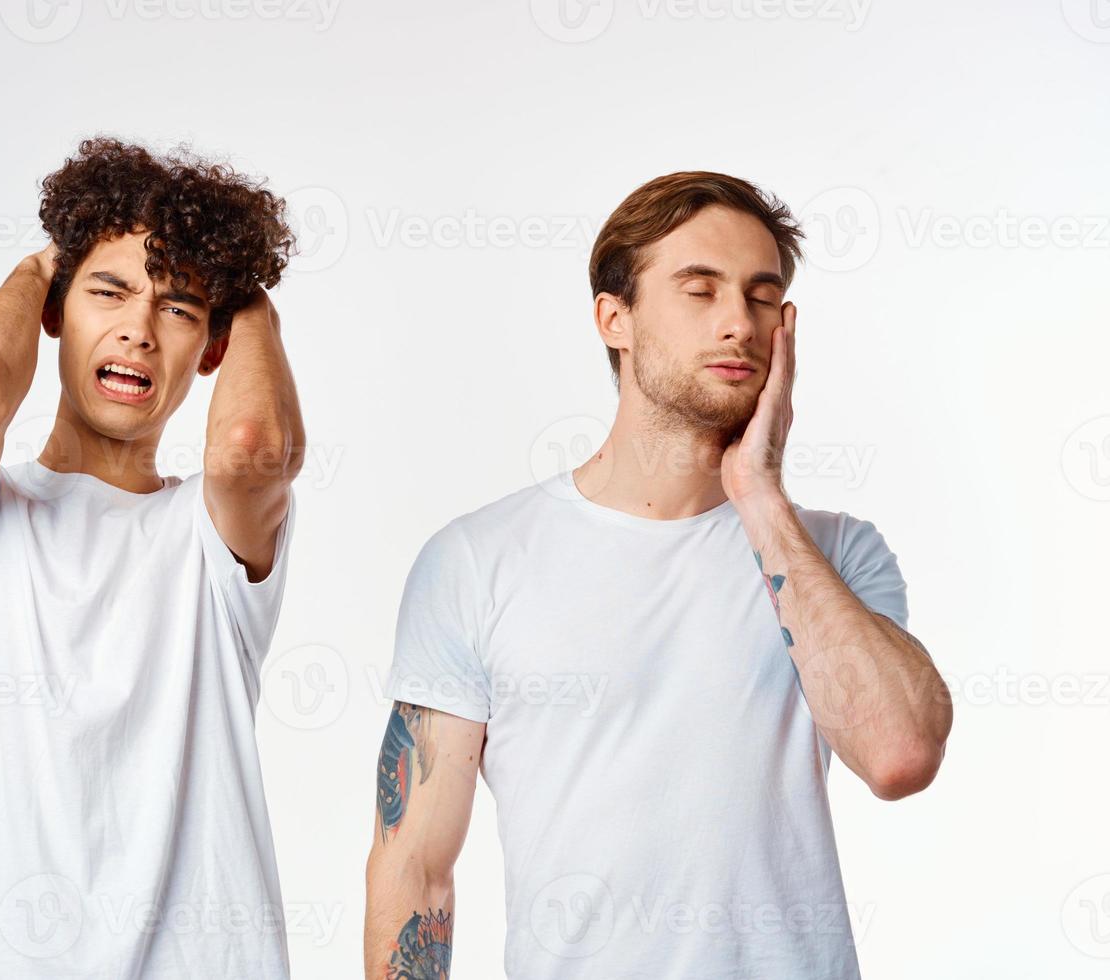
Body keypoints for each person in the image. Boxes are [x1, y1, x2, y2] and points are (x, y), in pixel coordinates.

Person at [363, 172, 953, 979]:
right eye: (699, 292)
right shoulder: (478, 559)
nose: (737, 324)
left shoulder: (836, 555)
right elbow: (414, 871)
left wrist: (760, 497)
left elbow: (900, 757)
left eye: (759, 296)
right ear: (617, 320)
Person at [0, 137, 303, 978]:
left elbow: (252, 445)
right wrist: (40, 267)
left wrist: (244, 296)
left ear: (211, 349)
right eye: (108, 291)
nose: (138, 330)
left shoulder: (206, 533)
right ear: (55, 314)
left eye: (178, 310)